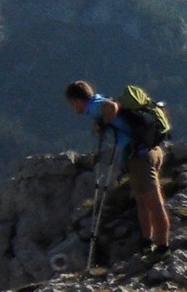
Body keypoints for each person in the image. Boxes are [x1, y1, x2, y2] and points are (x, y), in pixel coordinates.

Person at [64, 80, 171, 253]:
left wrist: (103, 124)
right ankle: (146, 242)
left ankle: (162, 249)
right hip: (149, 152)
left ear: (77, 101)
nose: (73, 108)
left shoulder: (95, 106)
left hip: (140, 158)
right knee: (141, 200)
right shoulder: (98, 100)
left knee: (154, 203)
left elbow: (111, 107)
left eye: (72, 104)